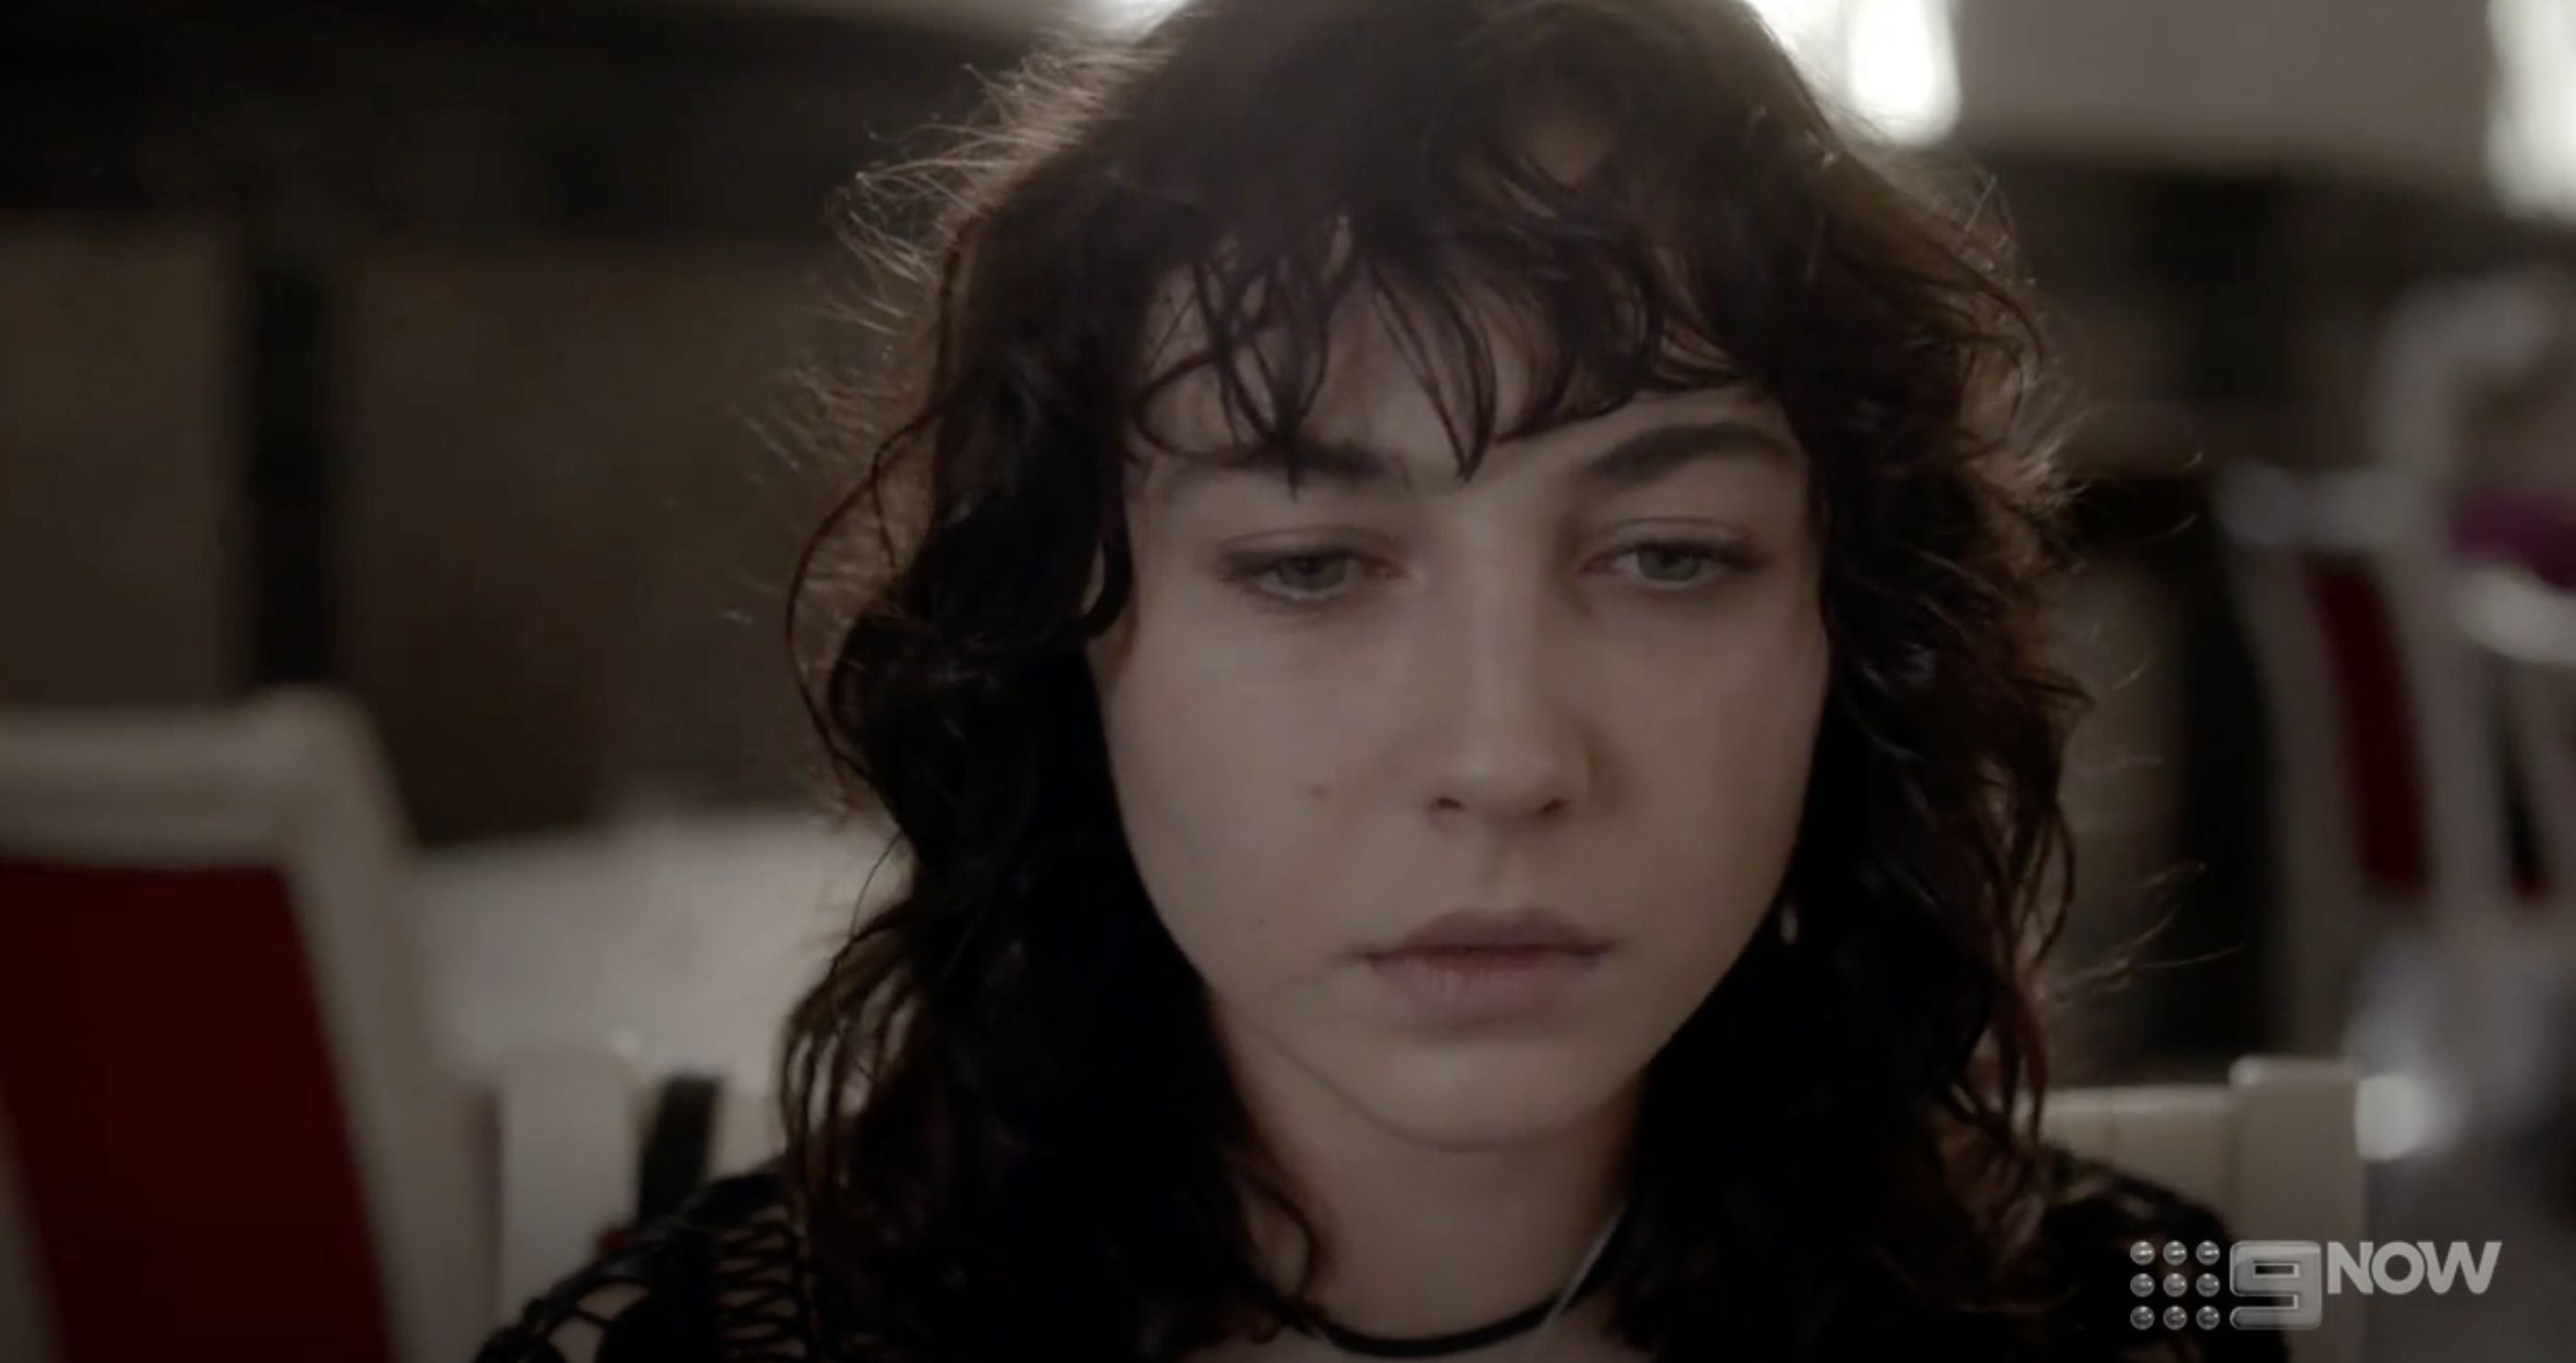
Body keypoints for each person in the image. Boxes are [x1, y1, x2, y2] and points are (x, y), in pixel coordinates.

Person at [478, 1, 2283, 1358]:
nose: (1504, 757)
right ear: (1061, 646)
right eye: (1308, 565)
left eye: (1670, 555)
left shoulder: (2157, 1320)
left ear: (1854, 637)